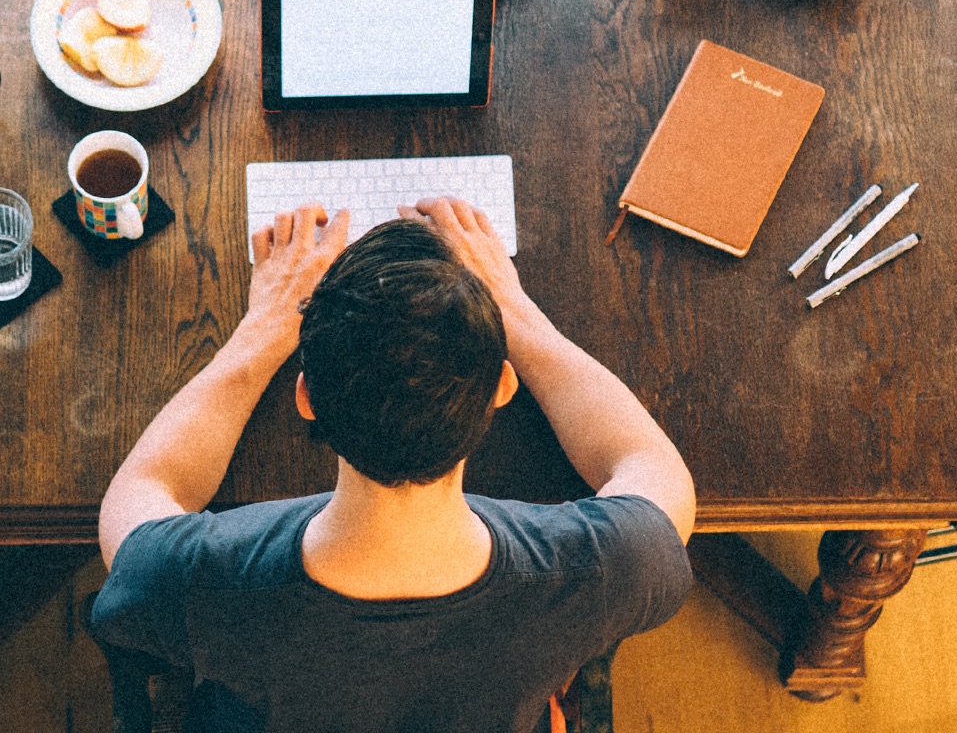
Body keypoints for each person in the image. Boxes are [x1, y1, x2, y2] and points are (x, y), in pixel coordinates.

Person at [91, 197, 697, 732]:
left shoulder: (199, 580)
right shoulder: (603, 569)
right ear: (501, 389)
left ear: (305, 398)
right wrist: (517, 314)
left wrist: (263, 327)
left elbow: (141, 495)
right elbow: (652, 469)